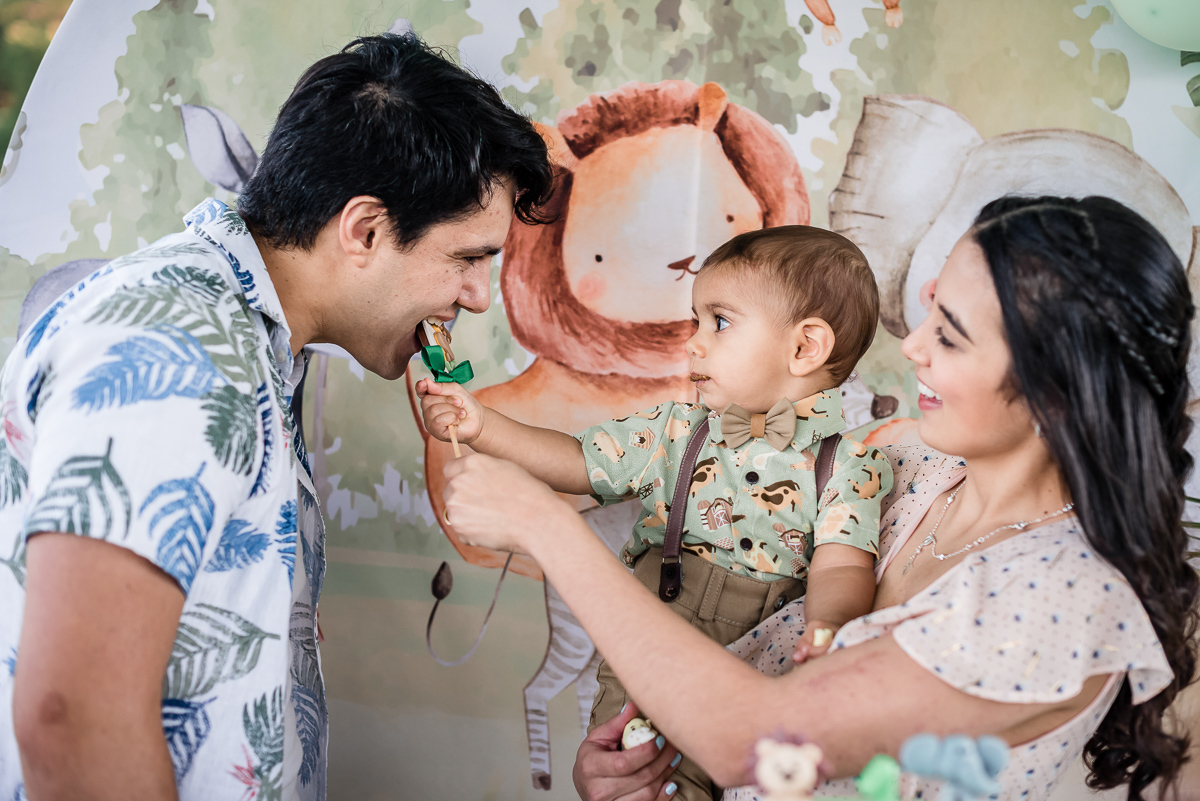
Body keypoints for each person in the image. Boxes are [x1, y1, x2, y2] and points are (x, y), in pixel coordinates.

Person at [439, 195, 1199, 801]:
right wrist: (632, 775)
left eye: (951, 335)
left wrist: (547, 526)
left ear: (1056, 393)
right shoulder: (905, 468)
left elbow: (754, 742)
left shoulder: (1064, 596)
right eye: (930, 312)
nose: (912, 347)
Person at [0, 33, 552, 801]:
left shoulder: (248, 341)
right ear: (364, 231)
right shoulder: (182, 346)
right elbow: (74, 718)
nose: (478, 297)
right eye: (467, 258)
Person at [421, 225, 893, 799]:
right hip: (648, 648)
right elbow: (577, 461)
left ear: (805, 348)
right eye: (697, 321)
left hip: (757, 667)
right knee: (633, 778)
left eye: (719, 322)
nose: (693, 343)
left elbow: (841, 566)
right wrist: (483, 427)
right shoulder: (674, 432)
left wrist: (827, 633)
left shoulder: (849, 468)